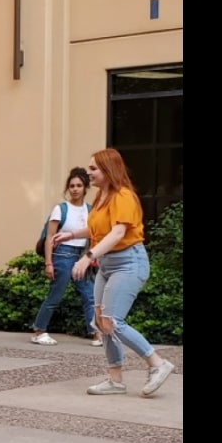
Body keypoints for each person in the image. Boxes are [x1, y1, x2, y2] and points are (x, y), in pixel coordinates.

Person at [52, 149, 176, 397]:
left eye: (94, 169)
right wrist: (71, 234)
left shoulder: (123, 195)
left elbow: (118, 233)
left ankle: (158, 364)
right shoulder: (101, 197)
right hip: (108, 264)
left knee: (113, 321)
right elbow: (96, 228)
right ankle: (116, 379)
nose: (89, 173)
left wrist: (88, 257)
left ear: (109, 170)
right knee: (101, 321)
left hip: (129, 261)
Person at [31, 168, 101, 346]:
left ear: (85, 188)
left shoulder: (90, 210)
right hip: (62, 254)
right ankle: (39, 331)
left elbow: (93, 234)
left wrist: (92, 257)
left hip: (82, 255)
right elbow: (50, 237)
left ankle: (96, 334)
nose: (75, 189)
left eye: (79, 185)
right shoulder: (61, 208)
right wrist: (48, 263)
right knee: (56, 294)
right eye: (72, 186)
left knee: (89, 295)